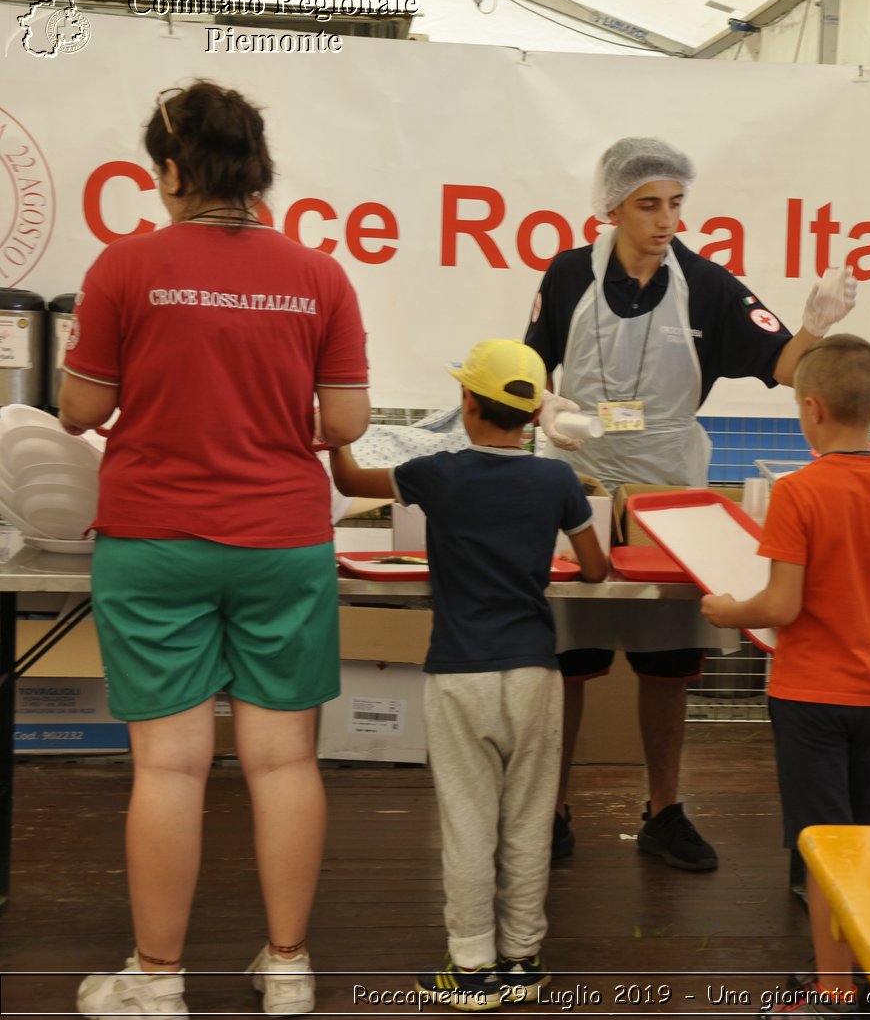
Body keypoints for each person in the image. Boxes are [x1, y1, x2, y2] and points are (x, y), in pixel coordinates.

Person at [63, 81, 370, 1018]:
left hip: (154, 538)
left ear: (169, 169)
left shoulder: (124, 266)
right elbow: (346, 420)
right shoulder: (321, 276)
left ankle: (157, 981)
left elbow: (81, 409)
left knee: (168, 765)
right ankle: (286, 967)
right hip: (281, 537)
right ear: (257, 170)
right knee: (283, 761)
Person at [524, 136, 857, 871]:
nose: (667, 219)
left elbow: (784, 364)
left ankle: (666, 808)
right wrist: (547, 407)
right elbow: (530, 368)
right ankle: (549, 810)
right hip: (576, 483)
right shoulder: (568, 275)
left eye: (676, 203)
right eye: (649, 205)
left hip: (668, 485)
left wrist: (817, 323)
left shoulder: (707, 286)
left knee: (665, 658)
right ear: (610, 208)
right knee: (567, 654)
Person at [330, 340, 607, 1008]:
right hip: (537, 675)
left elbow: (349, 482)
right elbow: (596, 568)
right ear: (535, 413)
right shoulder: (557, 480)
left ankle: (472, 964)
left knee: (468, 820)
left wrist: (333, 435)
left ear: (467, 403)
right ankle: (522, 957)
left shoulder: (438, 472)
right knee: (529, 819)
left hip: (460, 674)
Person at [701, 334, 870, 1017]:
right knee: (865, 839)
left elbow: (781, 604)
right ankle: (862, 976)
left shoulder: (798, 493)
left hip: (807, 694)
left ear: (812, 408)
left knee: (822, 847)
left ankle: (834, 994)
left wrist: (725, 611)